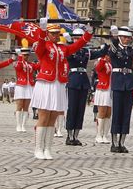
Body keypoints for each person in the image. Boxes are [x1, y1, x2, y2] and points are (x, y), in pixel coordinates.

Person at [30, 20, 92, 160]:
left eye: (57, 33)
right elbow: (39, 49)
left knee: (53, 118)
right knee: (44, 117)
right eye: (52, 33)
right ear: (47, 34)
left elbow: (78, 45)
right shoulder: (43, 45)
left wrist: (89, 33)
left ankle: (47, 148)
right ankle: (38, 148)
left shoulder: (63, 48)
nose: (56, 36)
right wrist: (42, 30)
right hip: (46, 84)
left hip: (58, 84)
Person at [64, 28, 108, 146]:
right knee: (72, 108)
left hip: (83, 80)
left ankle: (76, 135)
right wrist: (68, 43)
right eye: (76, 38)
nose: (77, 40)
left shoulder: (86, 52)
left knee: (80, 110)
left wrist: (108, 43)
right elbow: (67, 56)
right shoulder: (69, 49)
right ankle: (69, 135)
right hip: (73, 80)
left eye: (79, 38)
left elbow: (101, 53)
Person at [13, 44, 38, 132]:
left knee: (26, 107)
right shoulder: (17, 63)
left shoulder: (31, 64)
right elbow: (18, 67)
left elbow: (39, 66)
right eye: (24, 55)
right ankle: (18, 125)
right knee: (19, 105)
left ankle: (23, 125)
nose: (26, 57)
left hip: (29, 86)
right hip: (21, 85)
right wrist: (19, 57)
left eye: (27, 55)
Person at [92, 54, 113, 144]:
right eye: (107, 55)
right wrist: (103, 59)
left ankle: (105, 135)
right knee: (102, 112)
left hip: (110, 88)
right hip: (103, 88)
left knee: (108, 113)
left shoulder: (111, 63)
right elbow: (98, 69)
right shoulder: (101, 62)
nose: (109, 56)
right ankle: (98, 135)